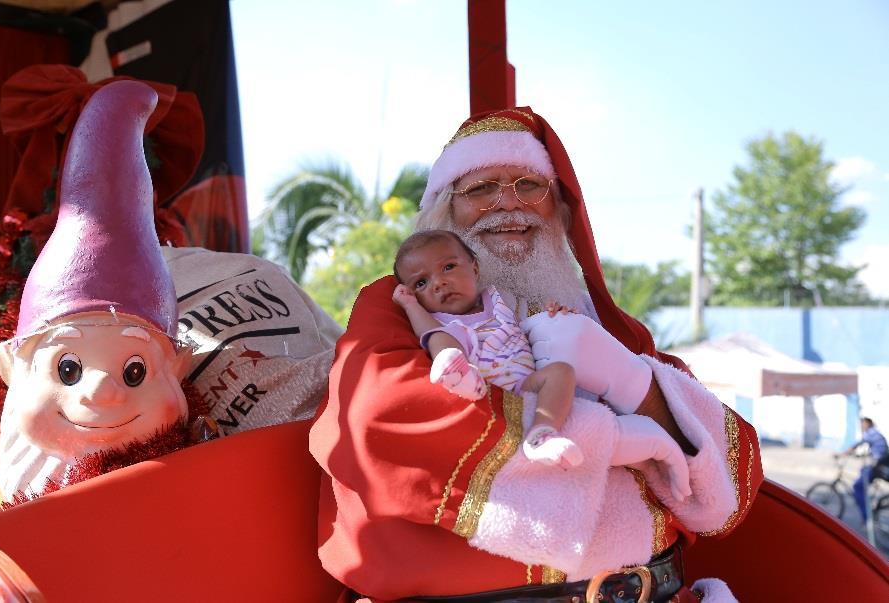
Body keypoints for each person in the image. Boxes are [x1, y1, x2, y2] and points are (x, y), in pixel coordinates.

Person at [310, 107, 763, 603]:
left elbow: (726, 488)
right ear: (443, 213)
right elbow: (383, 419)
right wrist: (609, 438)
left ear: (558, 212)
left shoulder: (611, 325)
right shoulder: (403, 303)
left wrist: (633, 380)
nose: (508, 203)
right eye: (480, 189)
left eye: (529, 185)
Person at [0, 81, 194, 509]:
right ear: (12, 365)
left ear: (177, 368)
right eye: (67, 369)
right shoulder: (3, 482)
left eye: (134, 372)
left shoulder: (191, 468)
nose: (101, 392)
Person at [392, 229, 693, 494]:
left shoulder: (497, 300)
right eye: (421, 283)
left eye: (448, 267)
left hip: (525, 382)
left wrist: (553, 313)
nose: (439, 283)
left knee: (561, 372)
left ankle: (542, 433)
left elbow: (525, 331)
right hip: (480, 383)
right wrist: (408, 304)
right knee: (440, 339)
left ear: (474, 266)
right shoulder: (437, 318)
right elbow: (425, 330)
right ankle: (458, 371)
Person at [843, 417, 889, 521]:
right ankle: (868, 501)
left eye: (862, 424)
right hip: (880, 463)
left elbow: (859, 444)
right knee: (863, 471)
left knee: (857, 487)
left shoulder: (870, 433)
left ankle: (867, 516)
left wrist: (843, 454)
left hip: (877, 465)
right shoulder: (875, 433)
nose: (861, 426)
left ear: (868, 424)